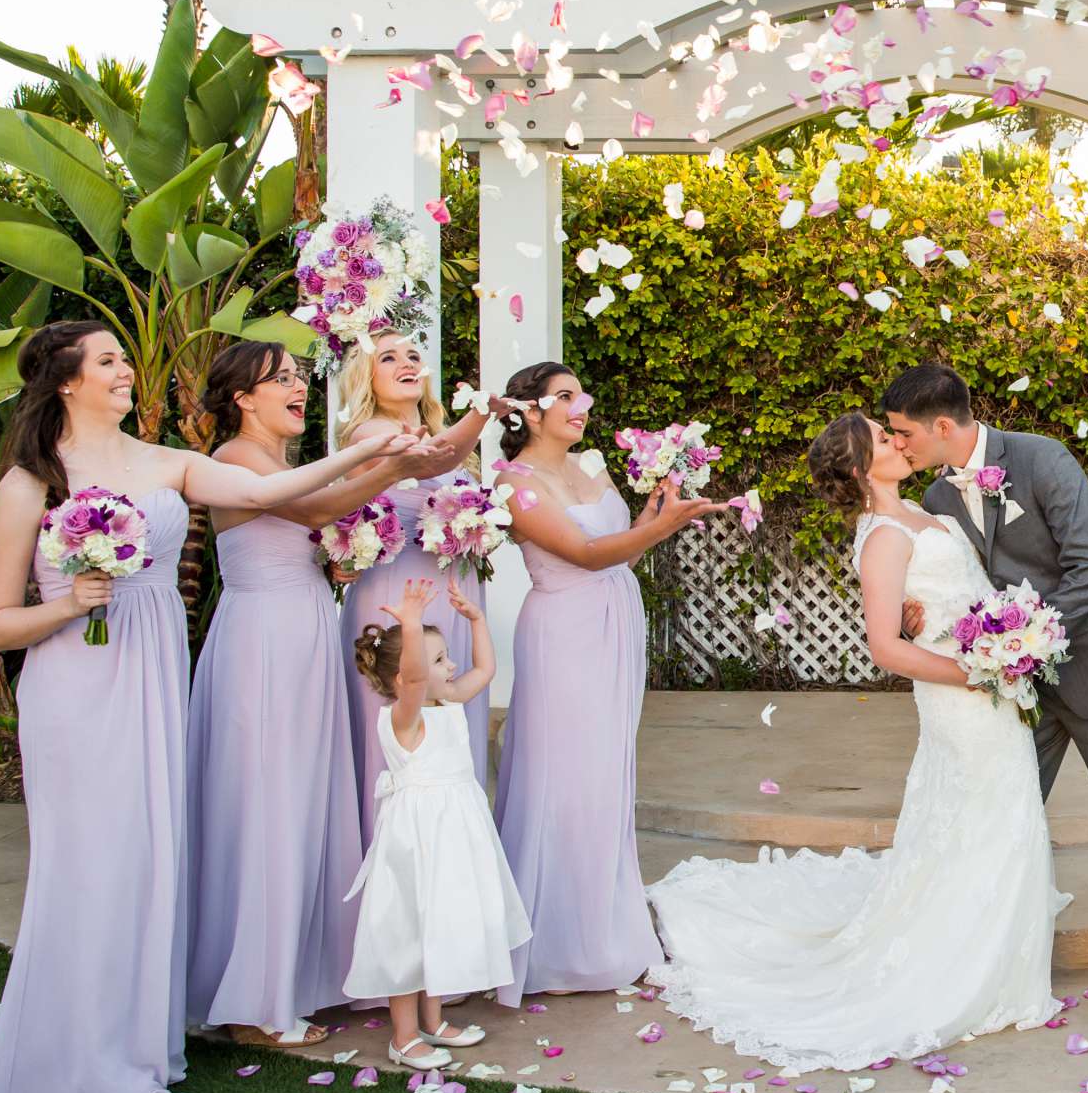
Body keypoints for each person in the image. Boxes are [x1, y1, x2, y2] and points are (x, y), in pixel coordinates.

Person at [0, 322, 416, 1093]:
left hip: (154, 676)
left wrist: (377, 456)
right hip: (78, 683)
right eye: (108, 361)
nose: (126, 370)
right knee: (92, 864)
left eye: (123, 358)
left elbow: (274, 495)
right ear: (65, 380)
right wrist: (70, 602)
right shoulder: (32, 482)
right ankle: (81, 1066)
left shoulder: (161, 461)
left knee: (148, 861)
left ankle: (136, 1054)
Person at [644, 413, 1069, 1069]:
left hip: (994, 688)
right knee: (983, 816)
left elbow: (961, 596)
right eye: (883, 437)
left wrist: (1015, 640)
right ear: (858, 468)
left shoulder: (932, 511)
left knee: (1004, 815)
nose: (898, 439)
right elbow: (885, 647)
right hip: (962, 697)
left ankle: (1006, 966)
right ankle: (969, 970)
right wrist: (973, 672)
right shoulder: (882, 538)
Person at [184, 340, 463, 1049]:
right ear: (242, 398)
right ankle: (253, 1002)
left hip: (305, 631)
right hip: (265, 648)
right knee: (270, 810)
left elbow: (320, 523)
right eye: (279, 380)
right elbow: (323, 506)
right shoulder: (237, 459)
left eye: (299, 377)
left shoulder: (275, 460)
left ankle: (293, 977)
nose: (297, 388)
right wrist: (393, 467)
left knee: (303, 805)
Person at [883, 365, 1088, 1029]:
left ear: (943, 426)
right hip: (1014, 693)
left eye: (902, 434)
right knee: (997, 814)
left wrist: (1022, 638)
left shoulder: (1043, 460)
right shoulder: (937, 497)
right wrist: (917, 617)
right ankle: (981, 960)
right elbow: (951, 584)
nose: (897, 446)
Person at [491, 362, 719, 1004]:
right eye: (563, 397)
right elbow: (586, 555)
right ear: (528, 412)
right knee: (568, 773)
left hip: (617, 619)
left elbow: (621, 549)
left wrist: (650, 516)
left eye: (581, 394)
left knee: (608, 773)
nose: (580, 405)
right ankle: (562, 943)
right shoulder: (513, 484)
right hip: (565, 630)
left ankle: (611, 928)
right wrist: (666, 523)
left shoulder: (590, 467)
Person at [345, 577, 531, 1070]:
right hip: (418, 839)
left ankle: (433, 1020)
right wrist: (408, 625)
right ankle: (404, 1037)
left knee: (439, 925)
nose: (451, 667)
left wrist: (477, 620)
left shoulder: (447, 701)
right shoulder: (404, 715)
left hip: (454, 833)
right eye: (440, 660)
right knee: (409, 929)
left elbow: (487, 668)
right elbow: (411, 679)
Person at [335, 332, 502, 827]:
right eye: (388, 357)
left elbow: (447, 462)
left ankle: (454, 849)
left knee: (451, 712)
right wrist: (481, 411)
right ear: (367, 376)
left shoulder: (438, 431)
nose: (406, 363)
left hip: (456, 589)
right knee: (401, 719)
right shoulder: (369, 434)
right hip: (401, 590)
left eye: (413, 355)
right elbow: (432, 462)